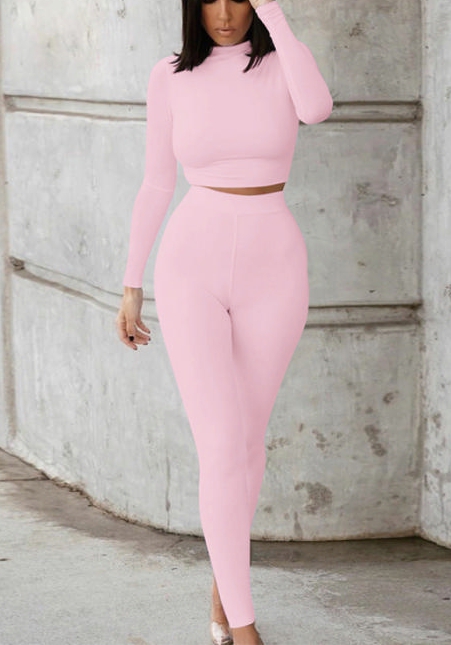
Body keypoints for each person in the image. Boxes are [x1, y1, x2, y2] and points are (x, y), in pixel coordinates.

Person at [115, 0, 333, 643]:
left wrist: (277, 17)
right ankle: (243, 628)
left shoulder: (282, 64)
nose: (225, 12)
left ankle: (223, 582)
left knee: (247, 441)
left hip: (276, 266)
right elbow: (157, 183)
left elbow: (317, 109)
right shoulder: (170, 74)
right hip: (192, 264)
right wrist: (131, 284)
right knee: (219, 444)